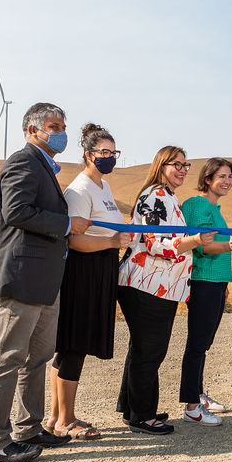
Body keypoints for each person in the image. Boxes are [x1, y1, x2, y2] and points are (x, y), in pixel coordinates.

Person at [0, 102, 92, 462]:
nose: (61, 132)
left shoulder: (45, 167)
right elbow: (16, 211)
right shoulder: (22, 162)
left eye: (63, 125)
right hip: (23, 278)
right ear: (33, 130)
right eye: (54, 125)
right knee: (8, 358)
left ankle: (29, 429)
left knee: (38, 357)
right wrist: (65, 225)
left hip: (45, 280)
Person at [117, 146, 215, 434]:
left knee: (142, 348)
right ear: (162, 165)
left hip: (158, 285)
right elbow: (155, 244)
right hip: (147, 283)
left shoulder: (168, 196)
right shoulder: (156, 196)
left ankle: (134, 407)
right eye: (177, 165)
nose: (183, 170)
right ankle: (142, 416)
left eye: (186, 165)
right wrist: (195, 240)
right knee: (150, 350)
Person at [46, 124, 131, 440]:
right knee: (73, 345)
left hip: (101, 270)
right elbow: (75, 240)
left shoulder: (103, 188)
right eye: (103, 152)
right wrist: (112, 243)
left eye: (113, 152)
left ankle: (56, 417)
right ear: (88, 154)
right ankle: (66, 419)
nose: (109, 157)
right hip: (83, 271)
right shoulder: (79, 190)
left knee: (71, 346)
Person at [179, 158, 232, 424]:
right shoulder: (197, 204)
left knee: (204, 344)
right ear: (207, 179)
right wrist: (229, 246)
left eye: (230, 177)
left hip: (216, 283)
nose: (227, 181)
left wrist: (225, 286)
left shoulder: (215, 208)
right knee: (197, 344)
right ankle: (192, 408)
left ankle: (199, 394)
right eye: (222, 176)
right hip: (202, 281)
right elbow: (202, 246)